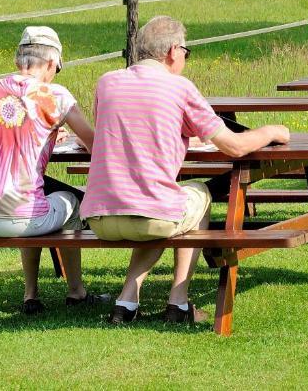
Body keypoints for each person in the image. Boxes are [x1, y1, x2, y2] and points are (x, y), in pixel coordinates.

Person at [81, 16, 290, 325]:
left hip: (100, 217)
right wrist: (272, 131)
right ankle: (177, 302)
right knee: (197, 195)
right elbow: (232, 146)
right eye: (186, 53)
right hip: (151, 216)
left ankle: (126, 301)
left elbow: (106, 133)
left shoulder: (107, 81)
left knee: (159, 209)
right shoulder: (179, 88)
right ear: (173, 50)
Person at [0, 26, 108, 314]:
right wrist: (67, 132)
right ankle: (76, 291)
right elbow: (95, 143)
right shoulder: (55, 96)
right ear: (52, 63)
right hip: (22, 217)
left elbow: (7, 125)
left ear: (18, 60)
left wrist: (49, 132)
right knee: (70, 201)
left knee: (33, 203)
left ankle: (31, 294)